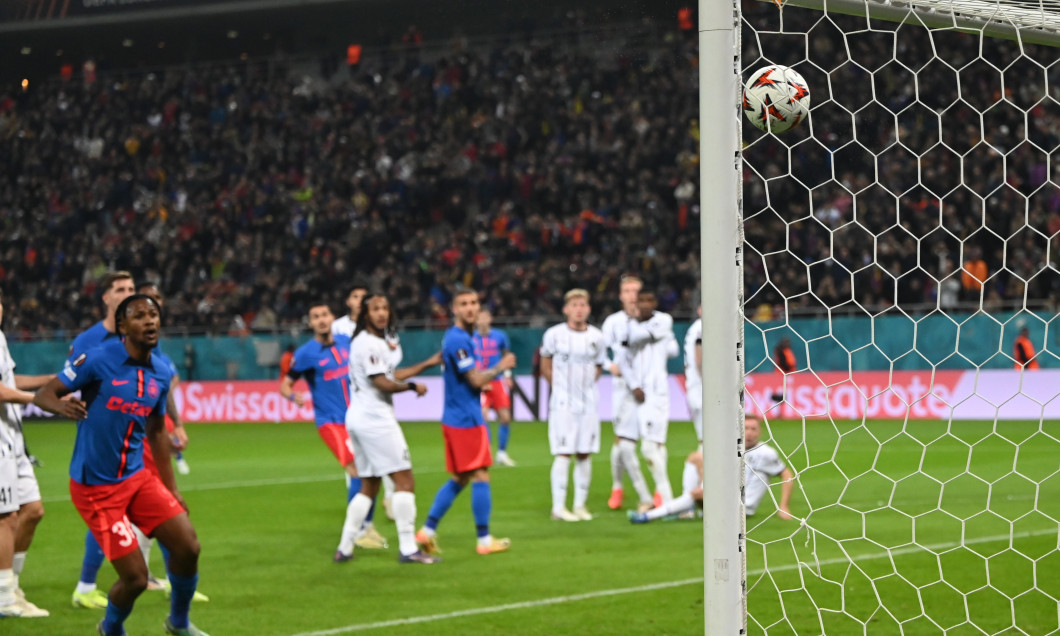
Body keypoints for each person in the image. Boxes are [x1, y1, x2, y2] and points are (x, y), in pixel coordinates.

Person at [34, 294, 210, 636]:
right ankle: (110, 628)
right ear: (123, 326)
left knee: (188, 547)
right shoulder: (97, 360)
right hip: (95, 489)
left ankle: (179, 622)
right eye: (140, 316)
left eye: (154, 314)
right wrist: (61, 407)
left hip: (137, 478)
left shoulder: (161, 371)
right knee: (136, 579)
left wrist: (172, 489)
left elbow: (157, 432)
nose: (150, 321)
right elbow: (45, 394)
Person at [334, 293, 442, 564]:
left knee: (368, 486)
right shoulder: (369, 344)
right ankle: (408, 549)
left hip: (358, 418)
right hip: (375, 420)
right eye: (375, 309)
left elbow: (390, 374)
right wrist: (411, 387)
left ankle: (345, 547)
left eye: (384, 308)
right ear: (365, 314)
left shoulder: (367, 342)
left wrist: (425, 365)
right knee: (404, 481)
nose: (381, 313)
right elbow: (382, 382)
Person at [279, 301, 387, 551]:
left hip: (359, 418)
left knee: (374, 472)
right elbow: (286, 384)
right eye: (315, 317)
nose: (321, 320)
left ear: (332, 317)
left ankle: (366, 526)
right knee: (357, 472)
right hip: (332, 423)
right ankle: (358, 531)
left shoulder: (347, 341)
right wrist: (291, 396)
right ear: (311, 323)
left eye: (324, 315)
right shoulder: (306, 353)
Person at [415, 289, 516, 556]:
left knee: (460, 478)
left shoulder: (459, 338)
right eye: (464, 304)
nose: (470, 308)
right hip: (466, 420)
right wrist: (500, 366)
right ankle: (484, 540)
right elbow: (475, 380)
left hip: (456, 417)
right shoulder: (459, 340)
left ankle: (427, 530)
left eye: (474, 303)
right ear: (454, 310)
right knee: (481, 474)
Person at [66, 271, 145, 610]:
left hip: (133, 437)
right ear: (106, 299)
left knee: (120, 511)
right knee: (109, 510)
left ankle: (92, 583)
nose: (128, 293)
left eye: (131, 288)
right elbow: (67, 384)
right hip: (101, 440)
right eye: (120, 289)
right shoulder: (89, 340)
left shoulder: (140, 334)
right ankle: (86, 585)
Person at [629, 415, 794, 523]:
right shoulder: (733, 447)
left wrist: (783, 506)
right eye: (746, 428)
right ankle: (690, 506)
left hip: (743, 506)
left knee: (697, 492)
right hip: (728, 498)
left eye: (754, 429)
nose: (750, 433)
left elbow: (787, 474)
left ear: (760, 432)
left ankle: (648, 516)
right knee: (696, 458)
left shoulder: (766, 453)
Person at [0, 288, 52, 618]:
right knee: (6, 517)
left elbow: (9, 379)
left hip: (14, 437)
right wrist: (39, 400)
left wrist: (47, 381)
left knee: (32, 510)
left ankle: (11, 586)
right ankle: (4, 598)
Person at [540, 289, 608, 522]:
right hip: (563, 404)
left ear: (588, 309)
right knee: (563, 452)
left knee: (584, 453)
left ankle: (580, 505)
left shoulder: (597, 337)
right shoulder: (554, 335)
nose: (578, 309)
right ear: (566, 309)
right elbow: (545, 365)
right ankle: (558, 507)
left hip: (588, 403)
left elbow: (598, 366)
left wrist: (586, 387)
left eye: (582, 304)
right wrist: (560, 388)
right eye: (574, 305)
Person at [331, 283, 398, 519]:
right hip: (356, 400)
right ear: (348, 301)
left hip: (375, 400)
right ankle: (362, 522)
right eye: (355, 296)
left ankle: (386, 501)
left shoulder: (384, 330)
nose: (360, 300)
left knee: (378, 465)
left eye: (363, 297)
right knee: (364, 466)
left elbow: (392, 361)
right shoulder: (337, 327)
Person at [621, 288, 679, 508]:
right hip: (635, 392)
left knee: (652, 445)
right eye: (641, 301)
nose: (645, 304)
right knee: (632, 446)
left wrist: (630, 336)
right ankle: (659, 498)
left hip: (657, 394)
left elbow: (635, 339)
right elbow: (623, 358)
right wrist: (634, 385)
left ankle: (665, 500)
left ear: (654, 302)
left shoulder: (663, 320)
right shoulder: (632, 324)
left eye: (649, 300)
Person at [600, 275, 653, 512]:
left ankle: (657, 491)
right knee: (624, 442)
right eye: (627, 290)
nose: (632, 295)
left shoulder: (653, 321)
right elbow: (600, 351)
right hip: (623, 390)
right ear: (621, 295)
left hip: (651, 388)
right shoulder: (612, 322)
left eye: (636, 290)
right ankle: (624, 488)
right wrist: (609, 365)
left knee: (650, 442)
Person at [473, 308, 516, 466]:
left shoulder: (500, 336)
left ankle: (502, 453)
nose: (483, 321)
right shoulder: (471, 337)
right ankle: (487, 452)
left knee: (505, 417)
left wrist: (508, 376)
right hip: (480, 381)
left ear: (490, 319)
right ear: (476, 320)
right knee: (483, 416)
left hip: (497, 381)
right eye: (480, 318)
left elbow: (507, 356)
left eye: (485, 317)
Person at [683, 305, 703, 448]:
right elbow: (699, 356)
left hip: (692, 379)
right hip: (700, 379)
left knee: (701, 425)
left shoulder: (693, 328)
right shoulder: (703, 326)